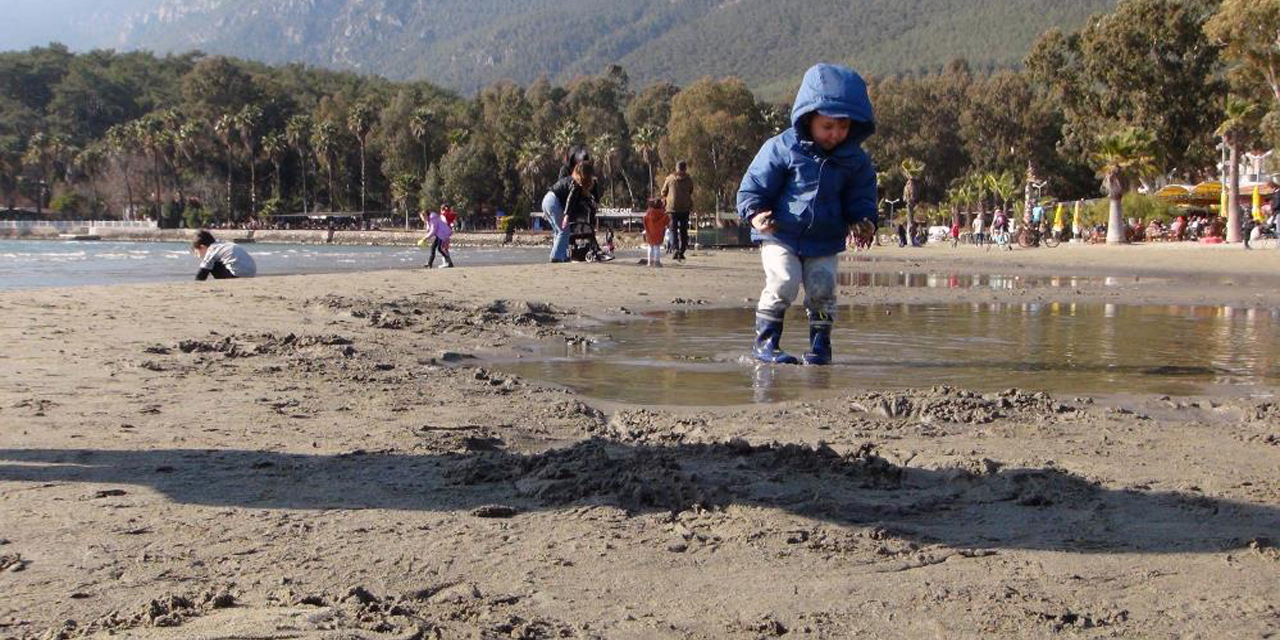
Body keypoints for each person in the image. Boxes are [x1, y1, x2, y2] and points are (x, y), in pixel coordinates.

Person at [737, 63, 877, 366]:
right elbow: (753, 187)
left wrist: (864, 221)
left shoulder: (856, 160)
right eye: (828, 126)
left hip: (825, 239)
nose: (836, 134)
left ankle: (820, 348)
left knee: (823, 290)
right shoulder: (781, 148)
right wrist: (755, 214)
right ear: (808, 118)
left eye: (844, 127)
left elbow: (861, 198)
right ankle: (766, 345)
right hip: (780, 234)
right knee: (783, 281)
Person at [543, 160, 606, 263]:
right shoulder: (576, 183)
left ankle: (562, 256)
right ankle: (556, 257)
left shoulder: (575, 181)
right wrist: (566, 216)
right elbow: (571, 199)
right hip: (553, 201)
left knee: (558, 231)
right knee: (564, 231)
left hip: (547, 200)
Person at [661, 160, 695, 261]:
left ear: (676, 168)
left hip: (672, 208)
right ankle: (682, 250)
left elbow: (663, 191)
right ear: (685, 168)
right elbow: (691, 190)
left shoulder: (670, 178)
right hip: (685, 208)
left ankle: (675, 249)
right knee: (684, 230)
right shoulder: (689, 179)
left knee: (673, 230)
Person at [192, 230, 256, 280]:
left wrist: (197, 282)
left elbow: (201, 274)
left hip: (237, 275)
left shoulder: (211, 249)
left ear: (202, 247)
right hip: (251, 273)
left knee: (211, 264)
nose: (198, 256)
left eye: (197, 252)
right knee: (213, 261)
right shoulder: (223, 244)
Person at [643, 198, 669, 267]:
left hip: (650, 231)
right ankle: (657, 262)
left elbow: (644, 220)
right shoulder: (662, 213)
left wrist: (646, 229)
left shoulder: (648, 212)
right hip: (658, 232)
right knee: (656, 247)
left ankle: (649, 262)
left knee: (650, 247)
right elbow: (667, 220)